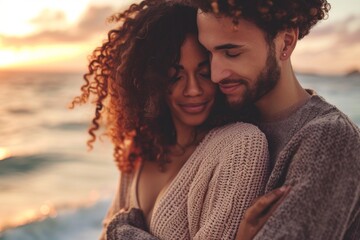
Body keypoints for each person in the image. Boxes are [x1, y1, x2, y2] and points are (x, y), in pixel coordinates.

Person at [71, 1, 273, 239]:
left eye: (203, 73)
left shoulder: (241, 146)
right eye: (175, 76)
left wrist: (122, 231)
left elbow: (114, 232)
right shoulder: (140, 148)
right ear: (152, 81)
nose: (193, 89)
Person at [184, 0, 360, 239]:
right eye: (208, 53)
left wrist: (122, 229)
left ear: (285, 43)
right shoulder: (222, 123)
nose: (215, 74)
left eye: (232, 53)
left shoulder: (330, 140)